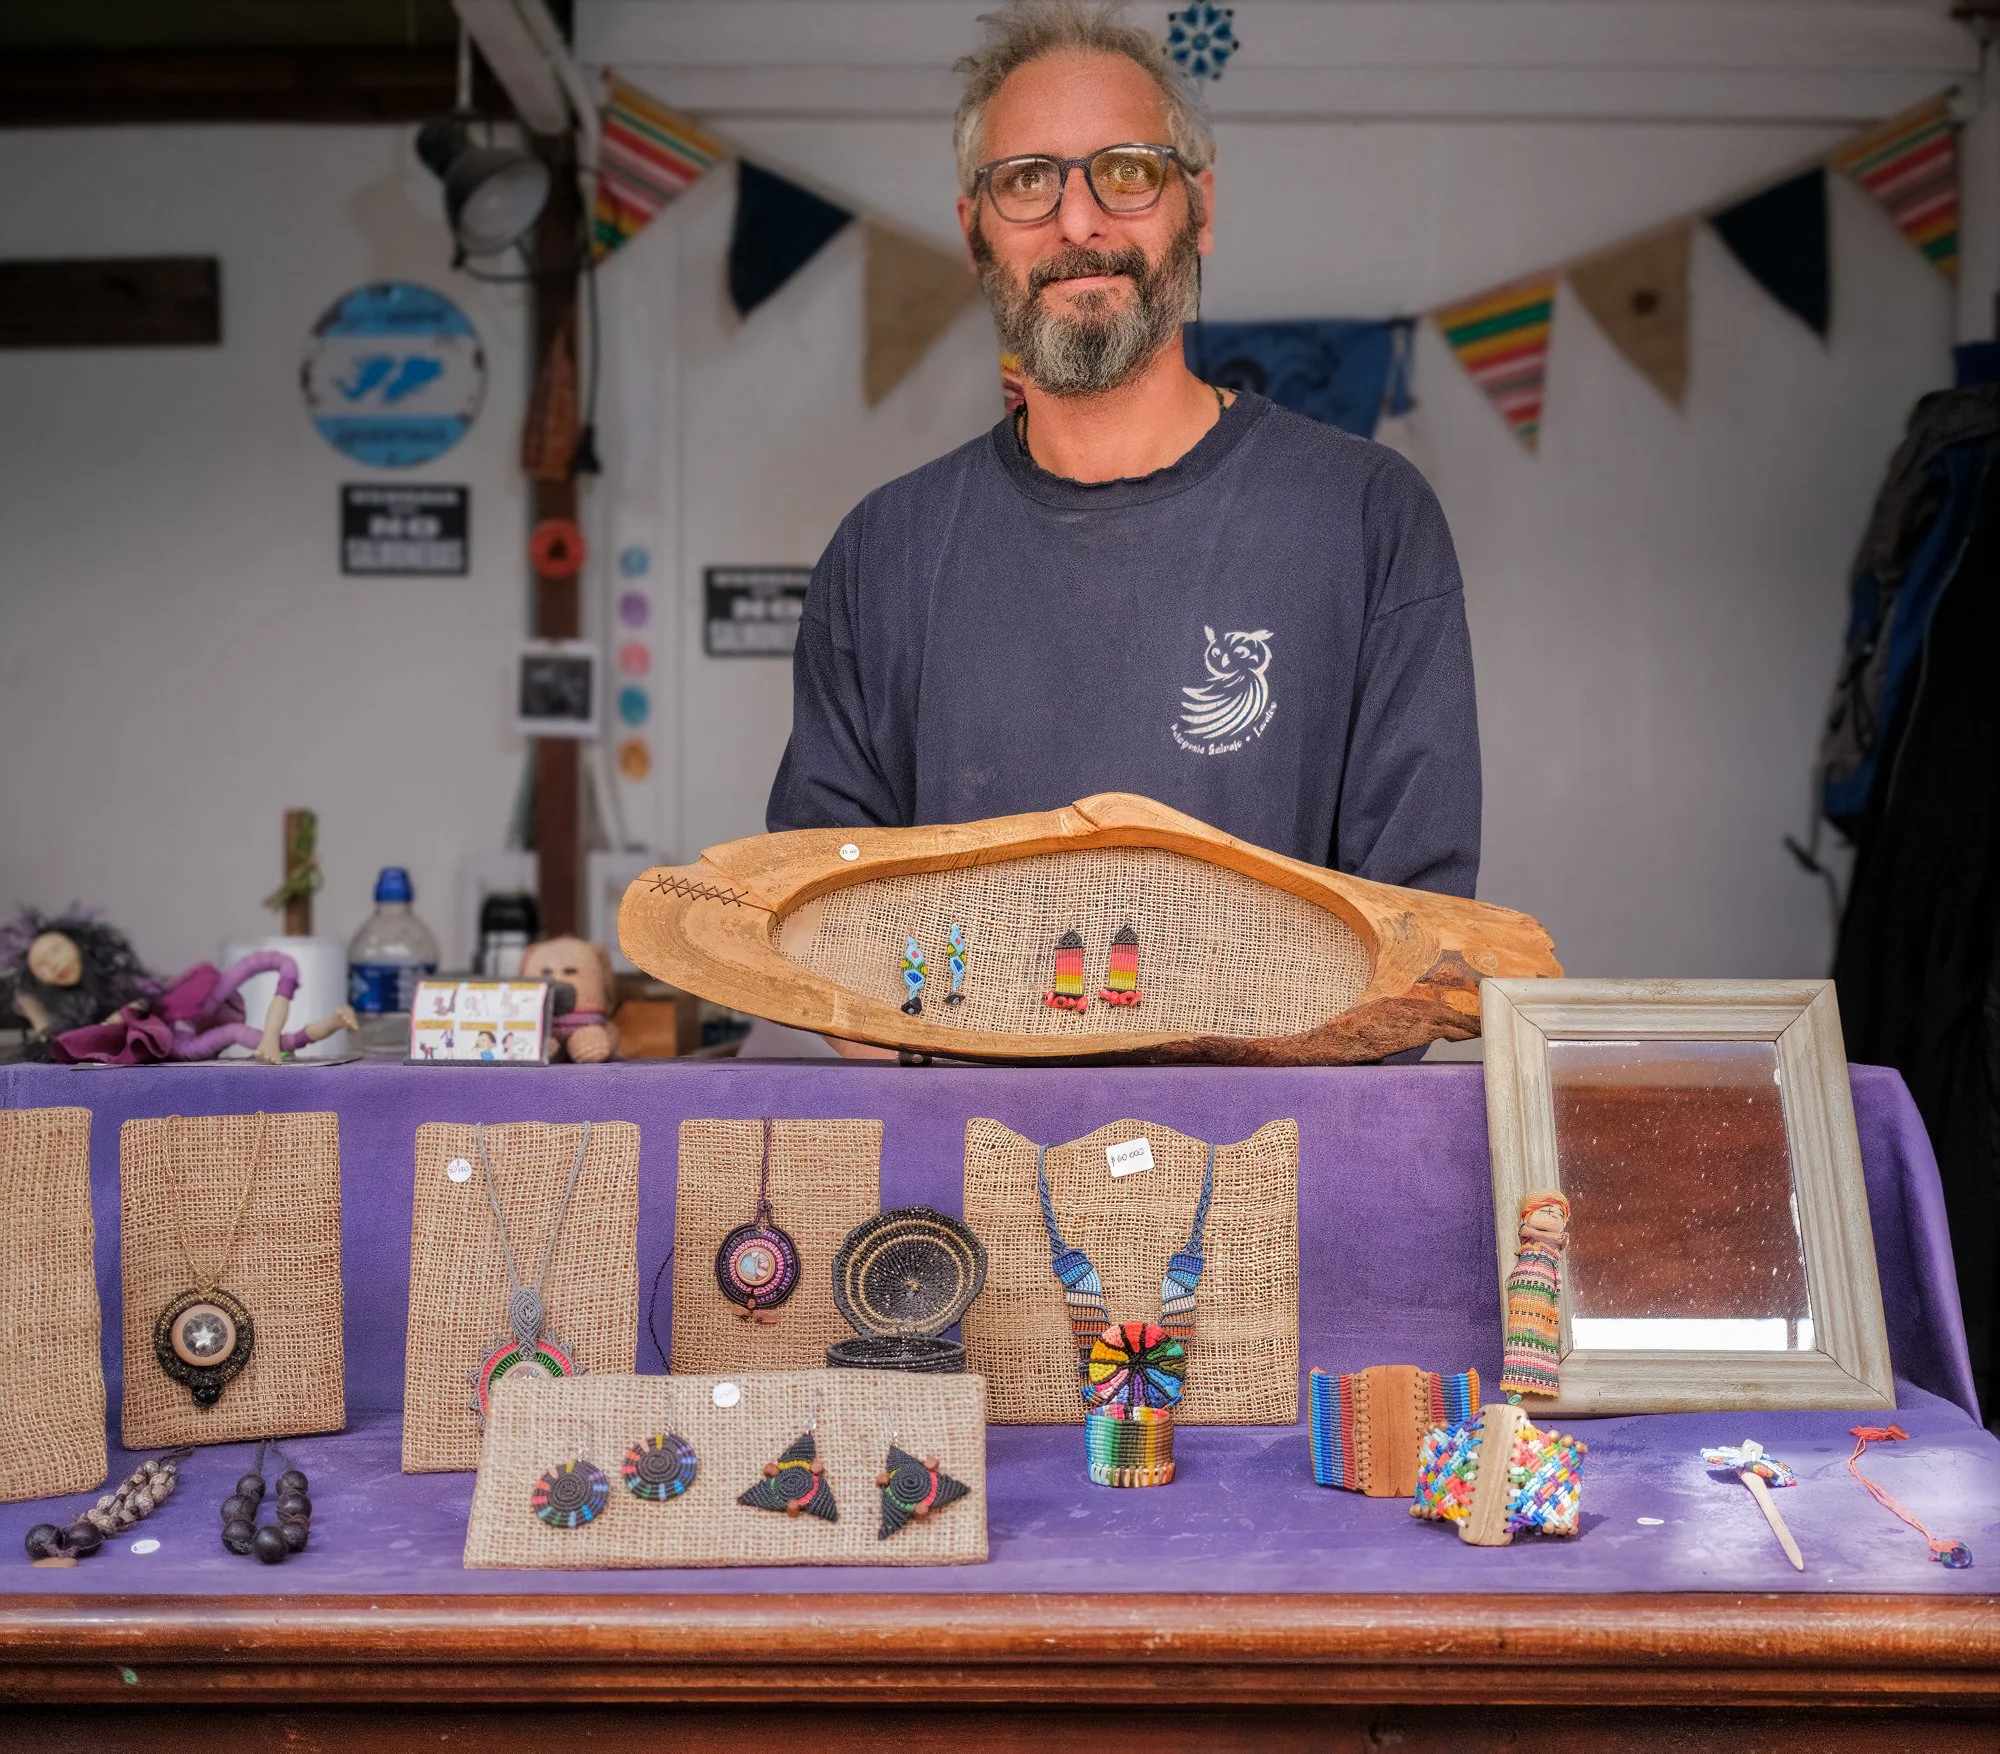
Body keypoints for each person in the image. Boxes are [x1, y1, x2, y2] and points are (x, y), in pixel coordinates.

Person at [766, 0, 1480, 898]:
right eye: (1028, 180)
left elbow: (1419, 929)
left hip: (1297, 1052)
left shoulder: (1365, 517)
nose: (1079, 222)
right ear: (973, 232)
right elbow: (819, 924)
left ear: (1200, 207)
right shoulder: (882, 556)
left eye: (1127, 171)